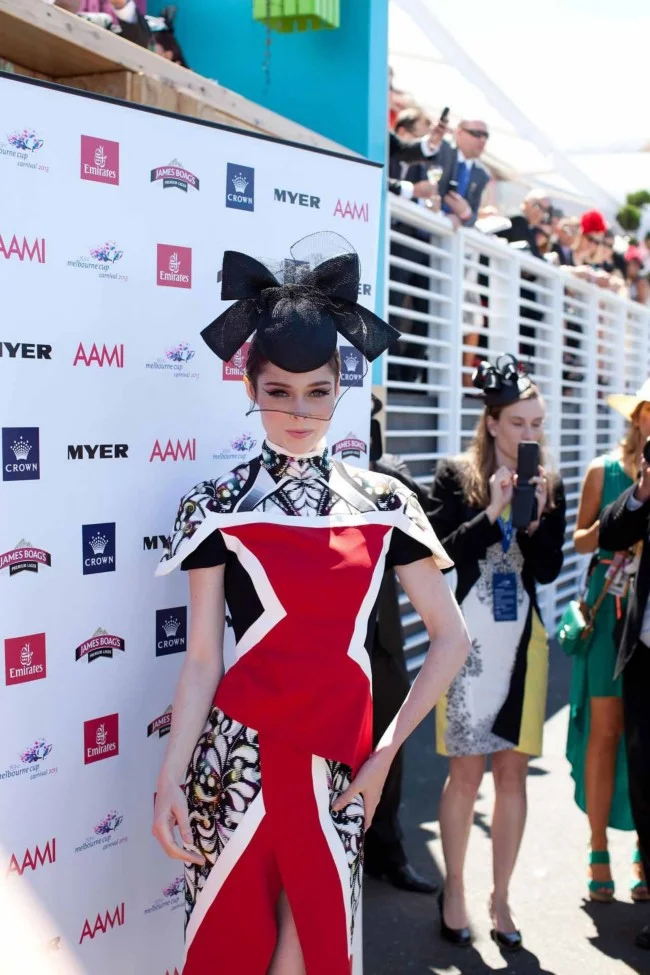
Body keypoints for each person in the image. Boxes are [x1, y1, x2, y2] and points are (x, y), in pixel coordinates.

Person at [152, 233, 470, 974]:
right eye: (279, 392)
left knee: (312, 955)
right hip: (235, 767)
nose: (300, 411)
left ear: (342, 385)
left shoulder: (386, 501)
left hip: (337, 768)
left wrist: (386, 755)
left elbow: (449, 638)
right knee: (235, 954)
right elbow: (202, 660)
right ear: (249, 388)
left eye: (318, 391)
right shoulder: (215, 505)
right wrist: (171, 771)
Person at [429, 355, 566, 952]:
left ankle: (502, 896)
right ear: (490, 423)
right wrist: (492, 514)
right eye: (518, 423)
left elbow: (550, 570)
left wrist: (533, 525)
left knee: (513, 774)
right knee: (465, 773)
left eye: (537, 423)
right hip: (466, 642)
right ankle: (454, 888)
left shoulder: (549, 483)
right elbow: (440, 555)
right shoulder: (456, 477)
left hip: (521, 643)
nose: (530, 434)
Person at [567, 395, 649, 902]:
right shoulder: (604, 470)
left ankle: (645, 849)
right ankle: (597, 847)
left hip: (646, 617)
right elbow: (579, 541)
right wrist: (623, 520)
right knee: (606, 732)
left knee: (645, 740)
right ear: (637, 416)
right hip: (608, 609)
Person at [364, 396, 438, 894]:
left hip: (383, 640)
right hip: (321, 644)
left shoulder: (388, 476)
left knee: (390, 752)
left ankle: (388, 854)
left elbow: (435, 521)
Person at [599, 377, 650, 950]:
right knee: (645, 783)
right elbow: (612, 532)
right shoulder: (643, 482)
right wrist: (644, 489)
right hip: (645, 656)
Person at [424, 119, 491, 228]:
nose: (482, 140)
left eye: (486, 136)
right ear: (459, 133)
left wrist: (465, 213)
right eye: (477, 134)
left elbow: (472, 217)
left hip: (447, 237)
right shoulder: (441, 150)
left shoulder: (481, 175)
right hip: (421, 223)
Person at [495, 189, 551, 256]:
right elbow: (532, 252)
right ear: (526, 203)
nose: (541, 213)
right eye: (539, 206)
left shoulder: (529, 228)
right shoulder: (517, 221)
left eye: (545, 210)